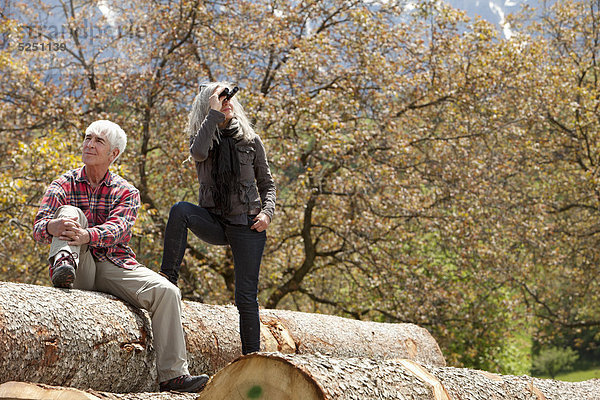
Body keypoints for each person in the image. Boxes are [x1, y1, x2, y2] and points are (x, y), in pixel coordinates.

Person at [33, 120, 209, 393]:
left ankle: (173, 376)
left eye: (98, 141)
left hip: (113, 263)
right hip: (76, 264)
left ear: (113, 154)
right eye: (87, 138)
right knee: (69, 213)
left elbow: (120, 229)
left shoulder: (126, 191)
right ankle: (63, 264)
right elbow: (39, 227)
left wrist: (87, 235)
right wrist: (51, 227)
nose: (89, 144)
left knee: (168, 292)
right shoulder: (63, 183)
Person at [159, 82, 276, 355]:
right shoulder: (203, 140)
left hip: (248, 225)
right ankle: (167, 280)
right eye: (221, 101)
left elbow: (267, 184)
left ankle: (252, 358)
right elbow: (198, 153)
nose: (227, 104)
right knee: (180, 211)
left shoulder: (250, 140)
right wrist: (213, 113)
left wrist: (267, 213)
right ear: (208, 107)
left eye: (228, 101)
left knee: (246, 298)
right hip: (214, 221)